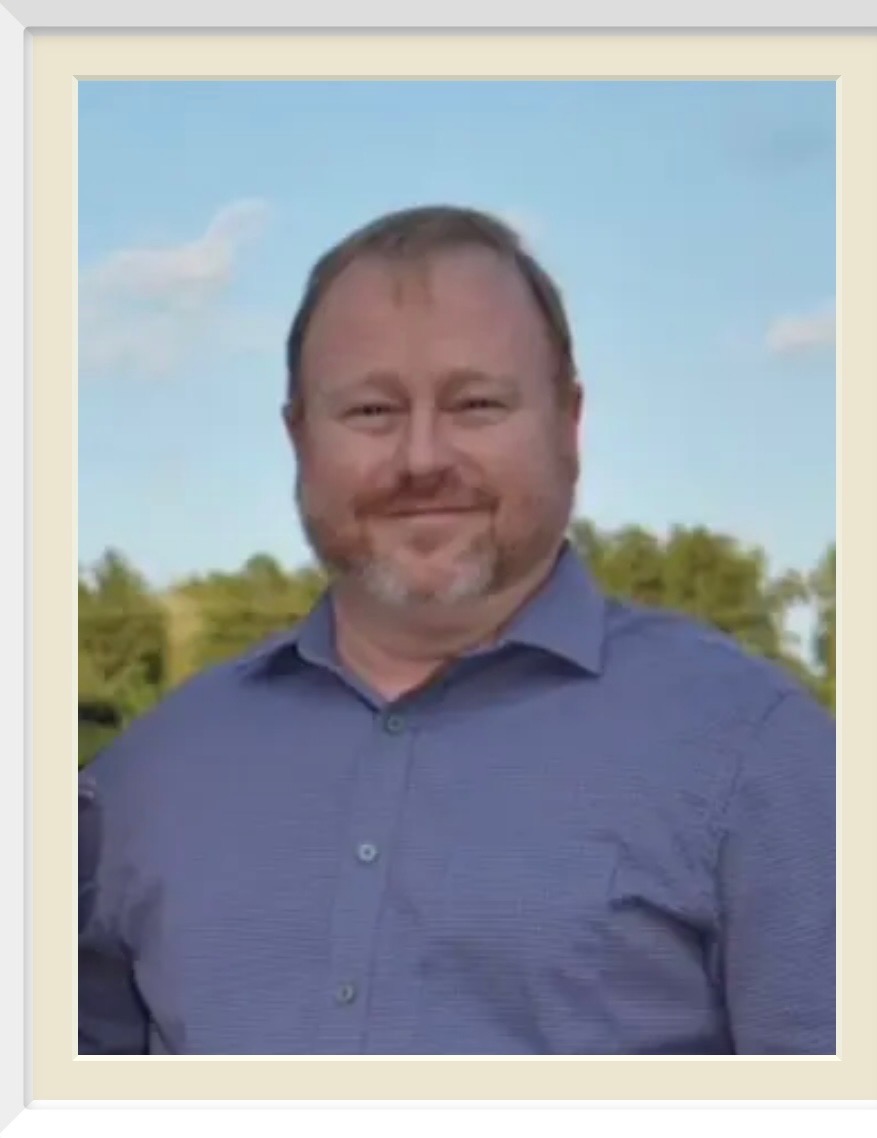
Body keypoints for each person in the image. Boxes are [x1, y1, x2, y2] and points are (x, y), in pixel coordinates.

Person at [78, 204, 836, 1056]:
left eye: (475, 404)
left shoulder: (756, 758)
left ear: (568, 424)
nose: (421, 460)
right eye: (371, 411)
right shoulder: (142, 784)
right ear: (297, 437)